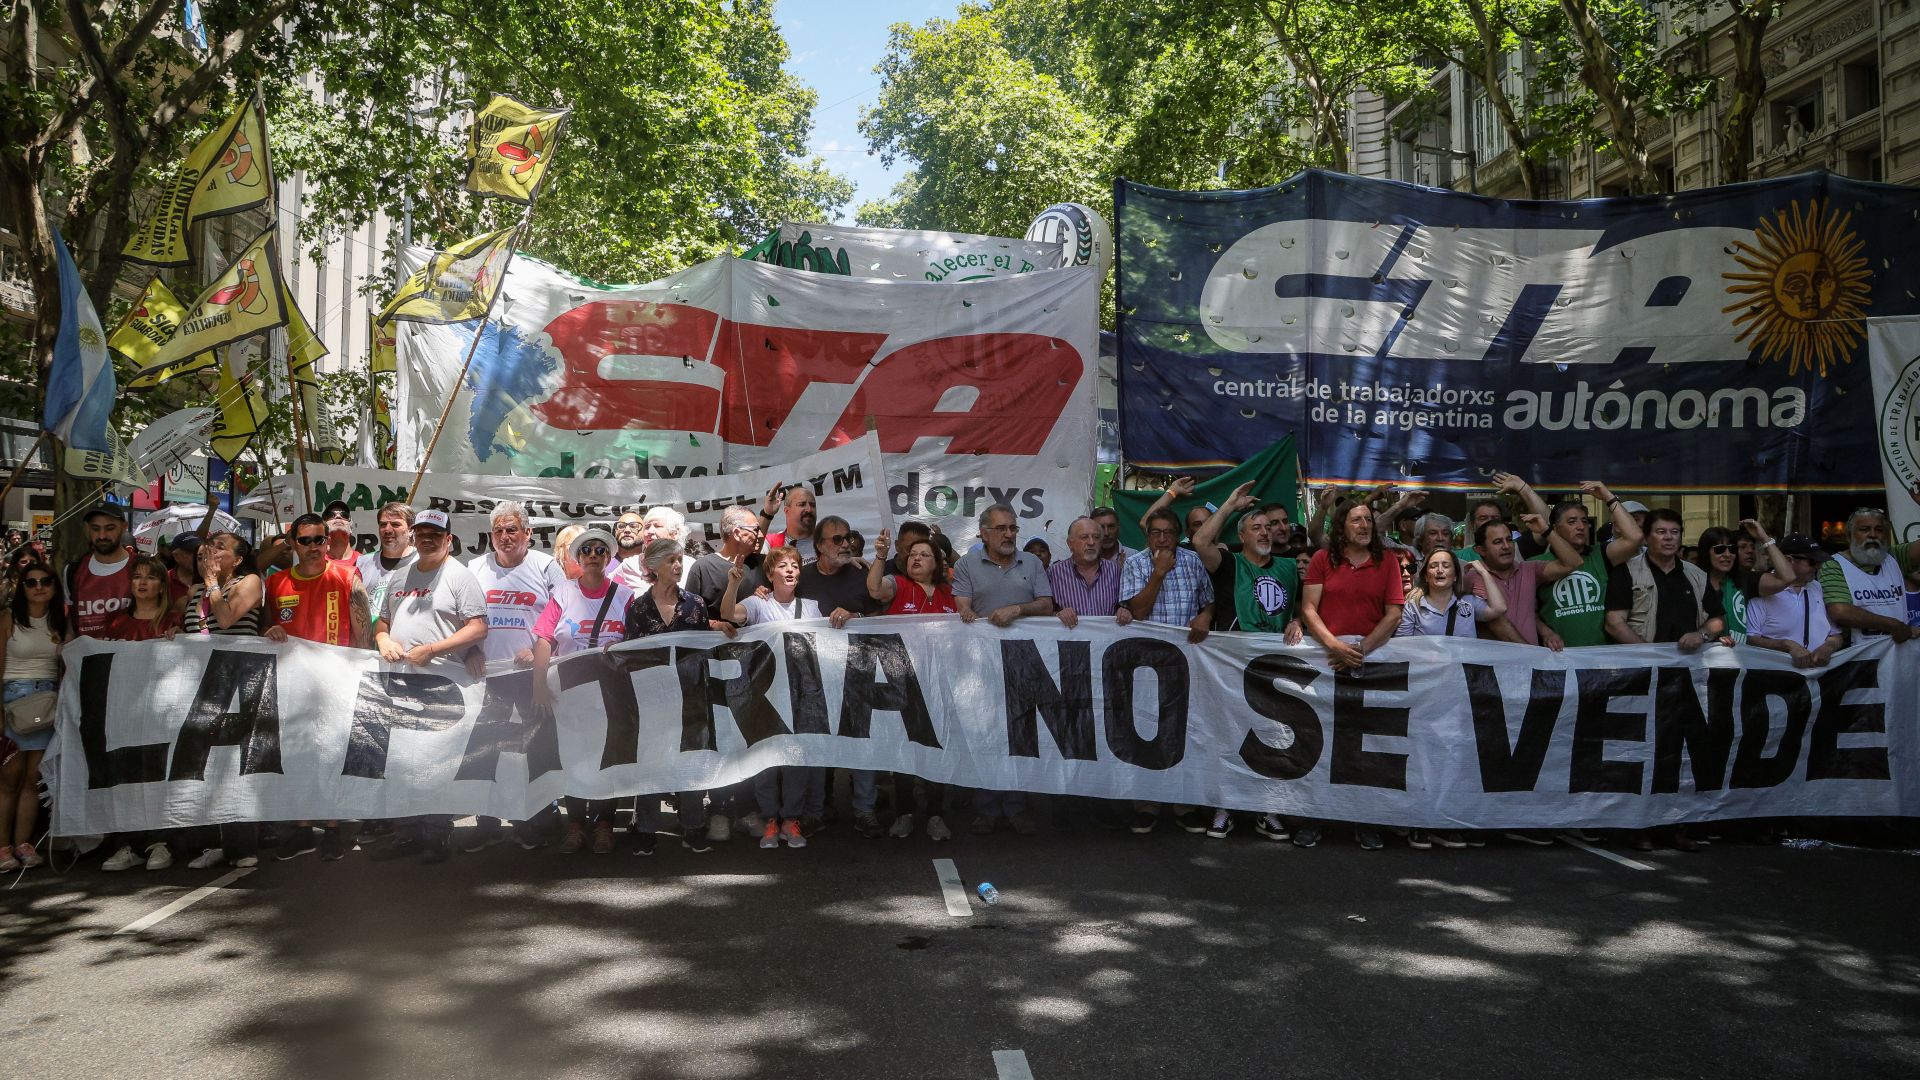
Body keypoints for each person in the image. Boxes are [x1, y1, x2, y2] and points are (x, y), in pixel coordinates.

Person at [372, 508, 489, 864]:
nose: (427, 539)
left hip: (443, 685)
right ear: (413, 536)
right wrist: (383, 640)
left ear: (448, 539)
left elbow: (478, 627)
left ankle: (437, 834)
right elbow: (381, 621)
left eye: (435, 534)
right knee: (401, 761)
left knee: (437, 761)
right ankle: (406, 832)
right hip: (400, 683)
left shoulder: (459, 576)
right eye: (421, 533)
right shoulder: (399, 575)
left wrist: (433, 649)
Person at [1189, 485, 1301, 841]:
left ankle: (1269, 810)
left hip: (1275, 665)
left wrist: (1298, 619)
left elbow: (1300, 606)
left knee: (1274, 738)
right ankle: (1224, 808)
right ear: (1242, 536)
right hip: (1233, 664)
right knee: (1229, 736)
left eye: (1268, 527)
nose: (1265, 532)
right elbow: (1200, 542)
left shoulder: (1289, 566)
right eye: (1256, 527)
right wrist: (1230, 506)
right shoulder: (1229, 564)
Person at [263, 513, 375, 862]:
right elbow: (265, 630)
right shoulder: (276, 582)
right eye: (305, 540)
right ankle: (302, 829)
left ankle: (333, 829)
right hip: (293, 687)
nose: (313, 546)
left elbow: (364, 635)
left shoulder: (347, 576)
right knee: (297, 756)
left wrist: (360, 679)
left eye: (319, 539)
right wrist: (269, 632)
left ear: (328, 541)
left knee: (331, 756)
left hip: (337, 684)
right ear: (293, 544)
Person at [1604, 508, 1717, 853]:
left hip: (1685, 679)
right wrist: (1648, 655)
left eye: (1675, 532)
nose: (1669, 538)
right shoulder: (1627, 571)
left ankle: (1673, 825)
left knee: (1678, 753)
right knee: (1639, 751)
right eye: (1661, 532)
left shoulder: (1696, 575)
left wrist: (1701, 634)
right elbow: (1614, 622)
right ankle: (1637, 825)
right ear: (1648, 536)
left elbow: (1717, 620)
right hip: (1639, 677)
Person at [1299, 499, 1405, 850]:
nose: (1365, 525)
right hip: (1328, 662)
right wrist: (1335, 646)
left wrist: (1360, 651)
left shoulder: (1387, 561)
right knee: (1322, 739)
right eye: (1357, 520)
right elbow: (1309, 609)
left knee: (1365, 744)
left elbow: (1393, 613)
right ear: (1341, 526)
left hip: (1369, 663)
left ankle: (1364, 819)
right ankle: (1314, 817)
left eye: (1368, 520)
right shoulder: (1322, 559)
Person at [531, 528, 636, 855]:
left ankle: (604, 825)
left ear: (608, 558)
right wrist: (539, 685)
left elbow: (635, 644)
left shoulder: (625, 596)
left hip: (610, 693)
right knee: (573, 758)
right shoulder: (563, 593)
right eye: (586, 550)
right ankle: (575, 825)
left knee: (608, 758)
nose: (593, 555)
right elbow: (544, 639)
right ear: (578, 557)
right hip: (570, 692)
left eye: (600, 550)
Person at [953, 504, 1055, 836]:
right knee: (986, 733)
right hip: (982, 665)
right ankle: (986, 807)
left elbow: (1046, 604)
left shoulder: (1032, 563)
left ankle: (1016, 806)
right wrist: (965, 611)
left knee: (1021, 734)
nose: (1009, 534)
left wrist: (1017, 610)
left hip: (1025, 662)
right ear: (984, 533)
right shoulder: (967, 564)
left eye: (1013, 528)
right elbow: (962, 604)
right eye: (1002, 529)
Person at [1119, 505, 1216, 836]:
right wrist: (1158, 572)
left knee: (1184, 732)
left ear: (1179, 536)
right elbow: (1138, 611)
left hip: (1186, 663)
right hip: (1147, 665)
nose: (1162, 539)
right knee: (1147, 732)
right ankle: (1146, 805)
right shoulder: (1135, 564)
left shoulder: (1192, 561)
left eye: (1169, 533)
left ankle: (1184, 805)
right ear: (1147, 536)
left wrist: (1205, 615)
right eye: (1156, 533)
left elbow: (1208, 600)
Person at [173, 531, 268, 869]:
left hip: (237, 685)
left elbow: (226, 619)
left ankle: (242, 845)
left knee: (232, 763)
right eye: (208, 547)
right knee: (205, 762)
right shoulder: (195, 592)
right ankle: (213, 843)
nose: (211, 551)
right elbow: (193, 632)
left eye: (220, 547)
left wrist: (212, 583)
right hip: (201, 686)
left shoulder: (250, 582)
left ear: (238, 559)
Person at [724, 545, 822, 850]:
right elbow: (728, 614)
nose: (790, 570)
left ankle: (791, 819)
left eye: (795, 565)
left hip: (801, 695)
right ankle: (769, 818)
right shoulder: (758, 603)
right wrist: (733, 584)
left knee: (796, 758)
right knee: (765, 758)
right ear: (770, 574)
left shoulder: (812, 608)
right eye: (782, 566)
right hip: (763, 695)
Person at [621, 537, 713, 855]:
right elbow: (631, 655)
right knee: (650, 762)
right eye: (671, 560)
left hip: (690, 695)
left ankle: (693, 826)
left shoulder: (696, 604)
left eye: (680, 559)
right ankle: (646, 829)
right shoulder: (638, 607)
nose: (677, 566)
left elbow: (704, 649)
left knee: (689, 760)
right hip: (652, 698)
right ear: (653, 566)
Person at [96, 556, 184, 872]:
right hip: (125, 713)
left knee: (158, 776)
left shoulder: (173, 620)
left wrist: (181, 639)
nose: (142, 582)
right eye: (137, 576)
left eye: (150, 577)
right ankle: (128, 844)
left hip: (160, 714)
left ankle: (161, 843)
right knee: (126, 778)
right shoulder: (117, 622)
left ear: (162, 585)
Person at [798, 514, 882, 835]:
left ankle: (865, 810)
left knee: (862, 741)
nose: (846, 544)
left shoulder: (862, 575)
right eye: (837, 539)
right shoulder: (802, 576)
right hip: (815, 672)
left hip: (859, 669)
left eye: (848, 538)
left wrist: (855, 614)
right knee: (817, 742)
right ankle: (815, 811)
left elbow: (880, 616)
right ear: (819, 546)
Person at [0, 562, 65, 871]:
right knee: (8, 779)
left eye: (45, 581)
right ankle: (3, 848)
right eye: (31, 582)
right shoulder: (8, 618)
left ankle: (24, 844)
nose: (39, 587)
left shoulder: (61, 620)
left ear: (54, 586)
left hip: (46, 705)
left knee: (33, 779)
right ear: (22, 587)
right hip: (12, 700)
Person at [1534, 482, 1645, 649]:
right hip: (1560, 656)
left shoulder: (1601, 554)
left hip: (1602, 656)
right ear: (1555, 529)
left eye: (1584, 521)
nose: (1580, 527)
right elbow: (1526, 611)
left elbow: (1635, 537)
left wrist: (1608, 497)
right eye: (1572, 522)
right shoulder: (1537, 563)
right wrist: (1546, 633)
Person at [1471, 515, 1579, 647]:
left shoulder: (1529, 569)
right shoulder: (1474, 577)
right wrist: (1531, 655)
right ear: (1481, 550)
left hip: (1530, 657)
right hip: (1500, 660)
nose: (1506, 546)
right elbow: (1497, 624)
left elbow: (1573, 563)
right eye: (1498, 542)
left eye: (1509, 540)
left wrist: (1546, 531)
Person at [1819, 508, 1918, 645]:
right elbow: (1840, 611)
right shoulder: (1834, 565)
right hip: (1860, 655)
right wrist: (1893, 625)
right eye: (1864, 529)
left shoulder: (1894, 557)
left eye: (1879, 530)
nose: (1873, 535)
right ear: (1849, 535)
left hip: (1898, 655)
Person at [1747, 537, 1844, 667]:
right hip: (1777, 673)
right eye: (1812, 562)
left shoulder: (1817, 587)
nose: (1818, 566)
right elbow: (1751, 639)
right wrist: (1786, 645)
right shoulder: (1765, 590)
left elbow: (1835, 634)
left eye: (1819, 562)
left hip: (1820, 673)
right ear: (1788, 560)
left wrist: (1828, 648)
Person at [1694, 519, 1794, 644]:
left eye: (1732, 549)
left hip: (1739, 654)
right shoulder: (1692, 583)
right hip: (1700, 654)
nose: (1727, 554)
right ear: (1705, 552)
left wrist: (1764, 537)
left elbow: (1787, 577)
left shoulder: (1743, 580)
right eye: (1720, 549)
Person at [67, 503, 134, 638]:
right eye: (95, 528)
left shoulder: (141, 568)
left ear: (124, 527)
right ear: (87, 528)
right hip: (86, 650)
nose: (102, 535)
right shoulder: (73, 570)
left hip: (130, 650)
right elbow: (71, 615)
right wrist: (68, 638)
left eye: (110, 528)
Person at [355, 502, 417, 616]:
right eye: (383, 525)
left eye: (395, 524)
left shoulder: (423, 562)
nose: (387, 530)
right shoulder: (362, 563)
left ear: (411, 530)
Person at [764, 485, 818, 561]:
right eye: (802, 504)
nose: (809, 509)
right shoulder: (772, 542)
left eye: (813, 505)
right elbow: (751, 550)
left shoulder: (828, 540)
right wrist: (767, 515)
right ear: (787, 511)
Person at [319, 500, 361, 566]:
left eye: (344, 515)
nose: (338, 516)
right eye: (331, 515)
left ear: (351, 529)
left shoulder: (363, 562)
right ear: (323, 528)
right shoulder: (316, 562)